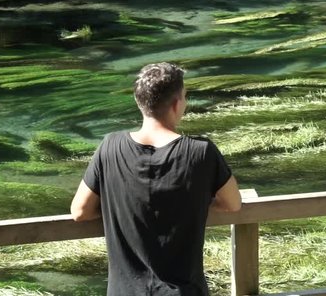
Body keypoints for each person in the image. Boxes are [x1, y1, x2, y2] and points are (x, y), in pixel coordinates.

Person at [70, 62, 242, 296]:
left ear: (138, 102)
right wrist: (197, 203)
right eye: (184, 97)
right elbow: (233, 204)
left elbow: (80, 211)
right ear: (176, 104)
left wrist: (119, 207)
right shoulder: (201, 151)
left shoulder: (109, 147)